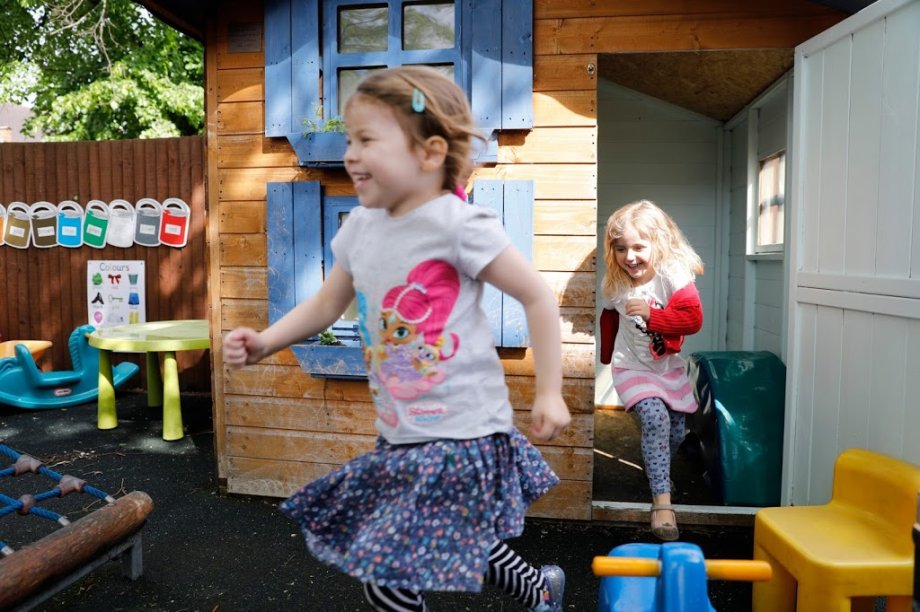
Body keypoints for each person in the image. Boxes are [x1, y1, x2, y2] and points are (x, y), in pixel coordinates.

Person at [223, 65, 571, 612]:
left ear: (429, 154)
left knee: (384, 573)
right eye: (347, 140)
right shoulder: (360, 228)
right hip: (402, 430)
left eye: (366, 140)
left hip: (464, 433)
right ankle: (541, 591)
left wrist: (550, 391)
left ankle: (538, 592)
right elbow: (324, 304)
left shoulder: (458, 224)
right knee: (464, 539)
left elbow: (537, 297)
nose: (351, 155)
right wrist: (266, 341)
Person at [597, 199, 704, 541]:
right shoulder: (615, 283)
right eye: (620, 248)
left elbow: (693, 320)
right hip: (631, 368)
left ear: (659, 243)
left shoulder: (673, 275)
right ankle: (662, 505)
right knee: (655, 420)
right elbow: (610, 316)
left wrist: (651, 314)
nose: (629, 257)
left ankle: (656, 468)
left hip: (667, 368)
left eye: (639, 247)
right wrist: (605, 354)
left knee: (674, 433)